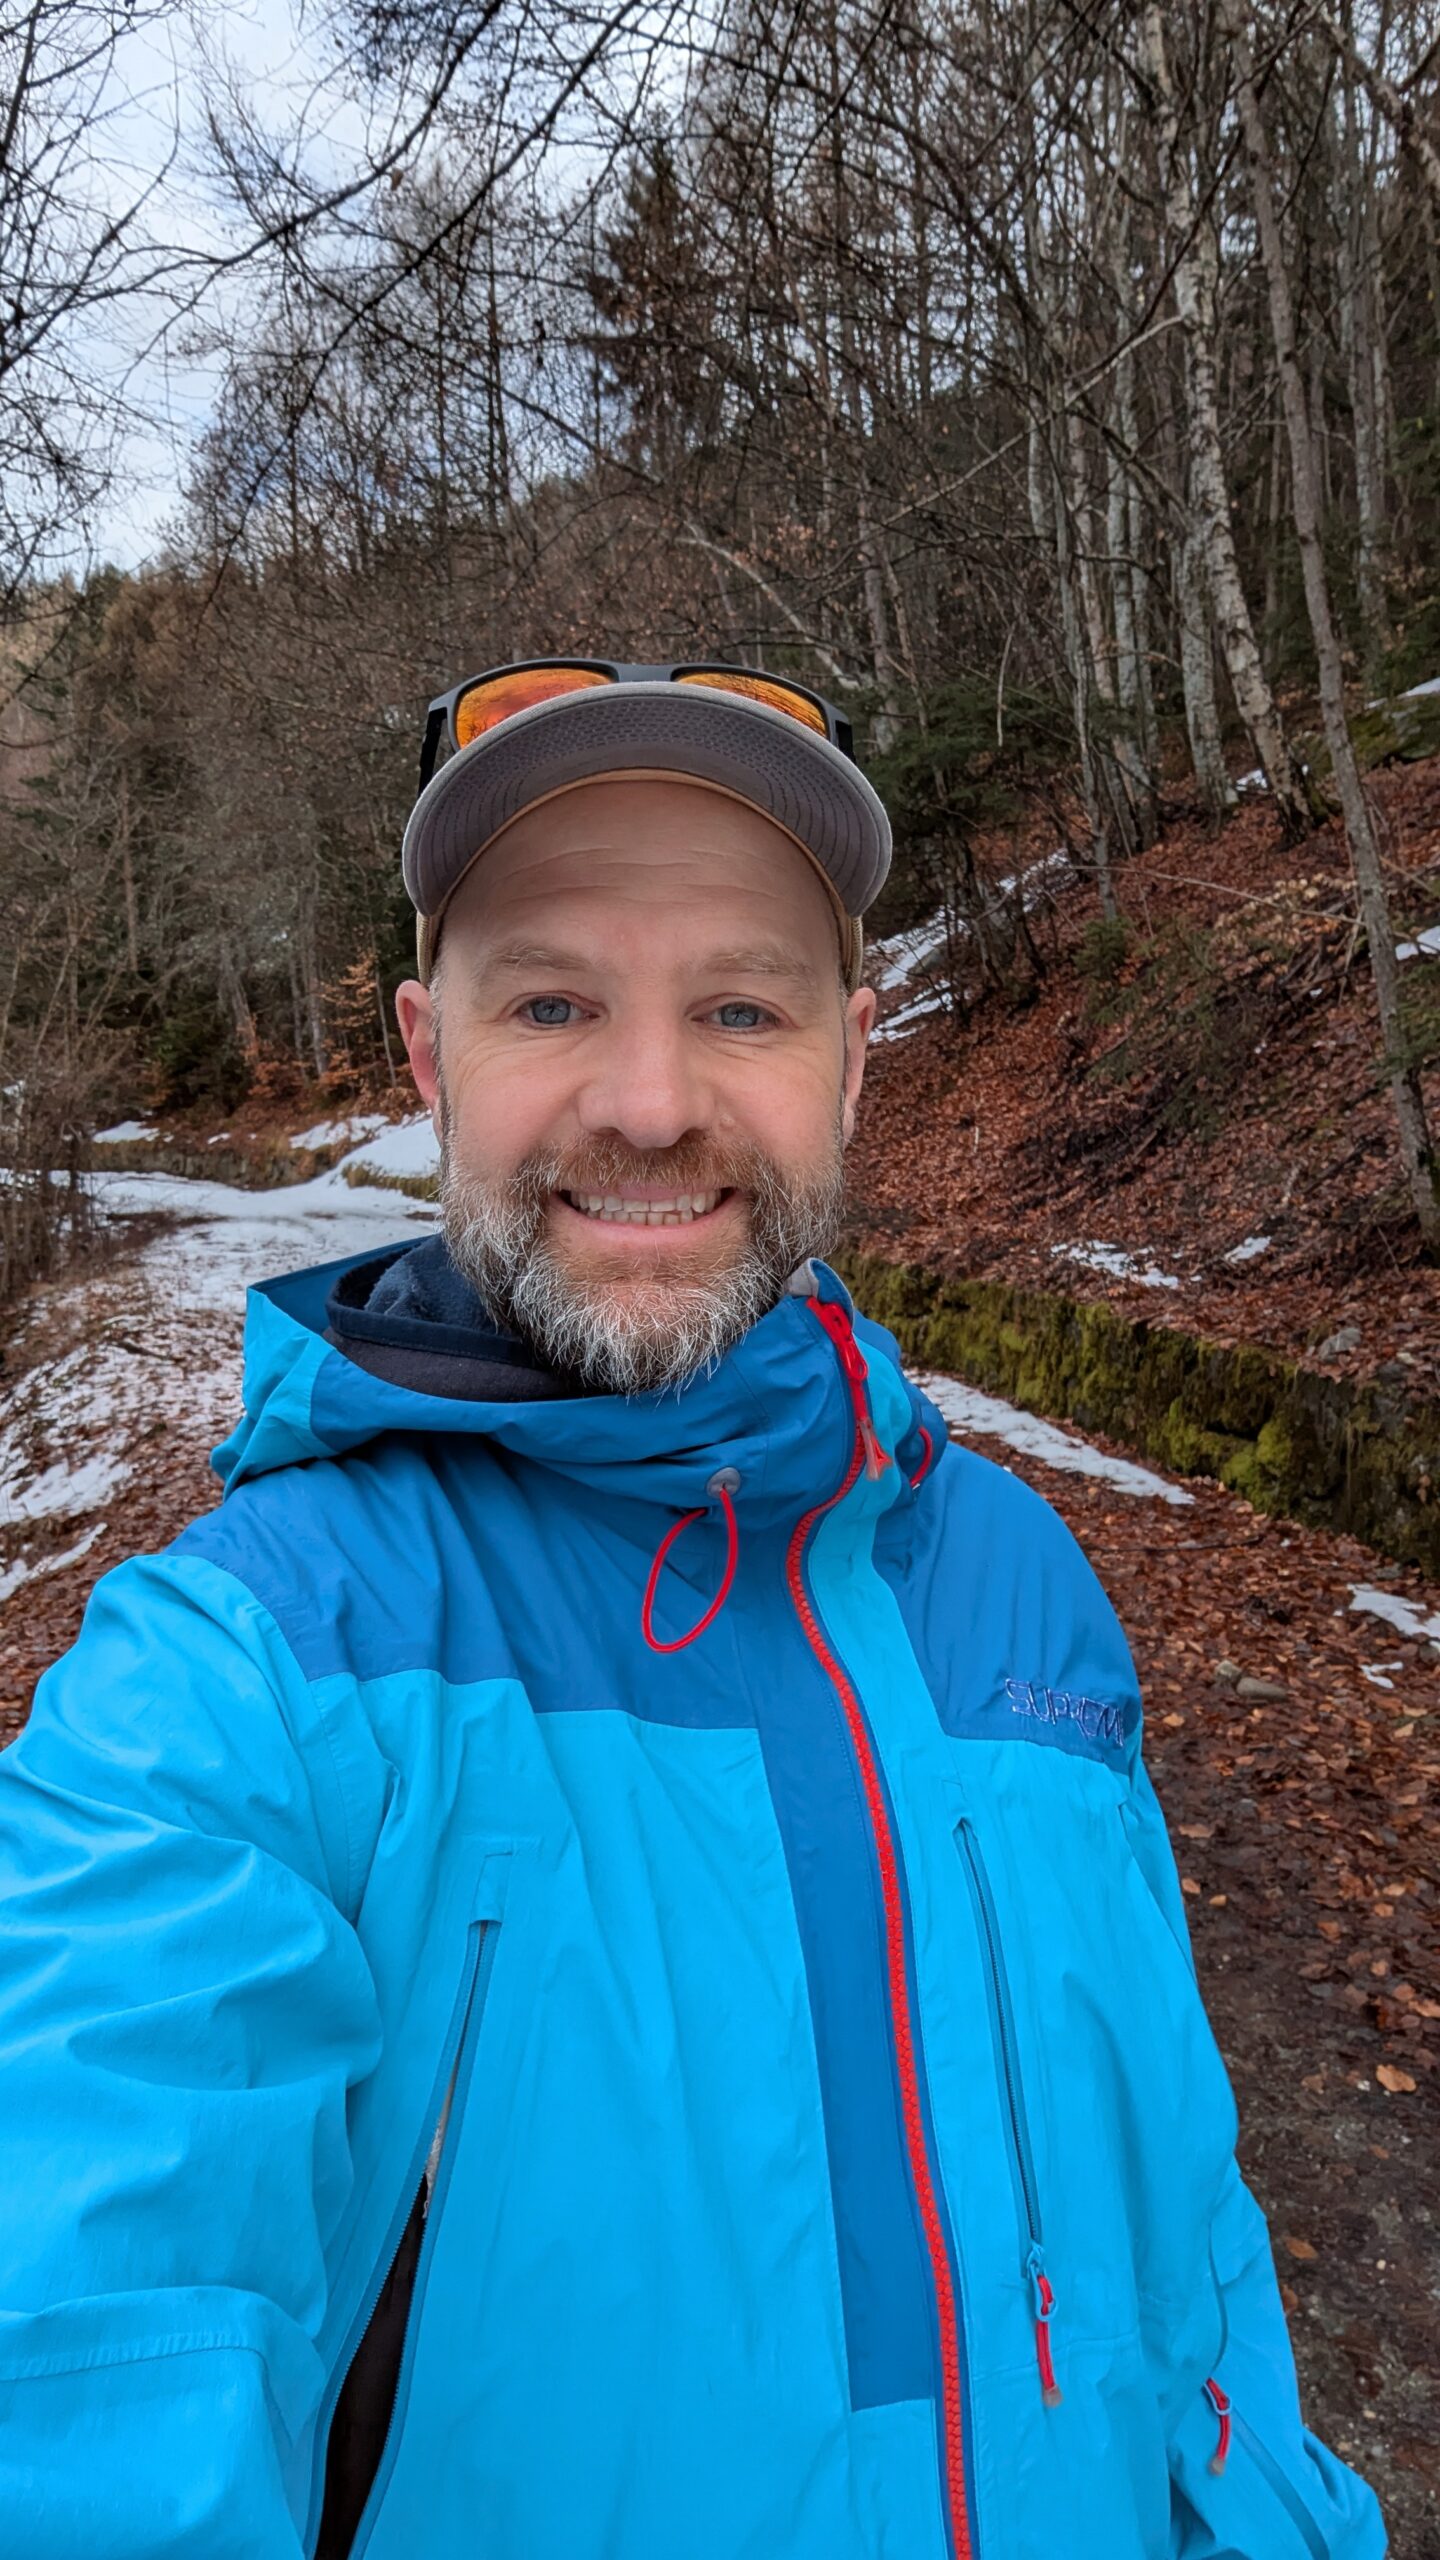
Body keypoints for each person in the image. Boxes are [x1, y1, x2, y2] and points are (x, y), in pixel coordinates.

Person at [0, 659, 1383, 2560]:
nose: (650, 1105)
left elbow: (1189, 2246)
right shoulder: (240, 1683)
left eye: (738, 1005)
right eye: (553, 999)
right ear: (428, 1055)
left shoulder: (1028, 1597)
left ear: (851, 1054)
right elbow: (77, 2358)